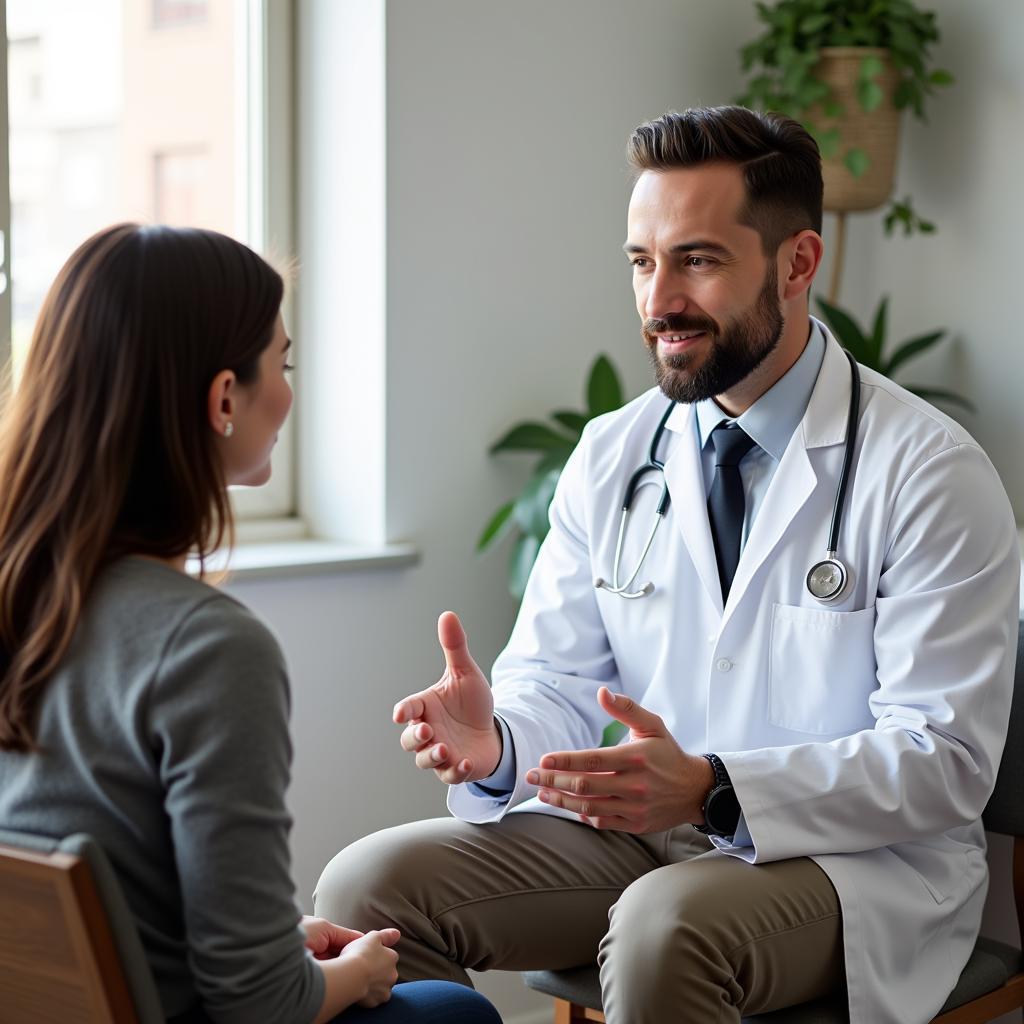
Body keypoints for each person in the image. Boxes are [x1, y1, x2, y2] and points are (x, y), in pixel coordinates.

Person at [313, 107, 1021, 1024]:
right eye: (643, 263)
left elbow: (945, 759)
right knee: (368, 884)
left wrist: (720, 787)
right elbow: (557, 677)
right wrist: (497, 746)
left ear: (798, 263)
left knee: (664, 928)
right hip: (652, 839)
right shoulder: (615, 453)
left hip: (857, 864)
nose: (659, 302)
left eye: (698, 259)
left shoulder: (927, 471)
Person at [0, 224, 502, 1024]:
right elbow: (262, 1004)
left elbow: (87, 862)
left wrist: (274, 939)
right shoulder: (206, 647)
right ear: (224, 397)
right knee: (448, 1010)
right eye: (283, 362)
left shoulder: (22, 595)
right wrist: (359, 975)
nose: (290, 392)